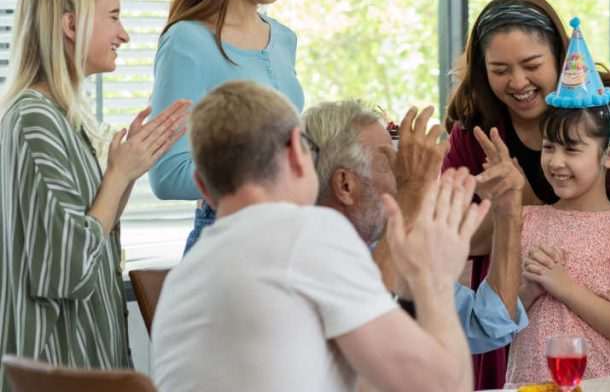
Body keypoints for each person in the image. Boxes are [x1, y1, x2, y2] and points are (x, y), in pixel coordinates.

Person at [150, 80, 489, 392]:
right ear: (299, 152)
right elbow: (441, 385)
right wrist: (436, 277)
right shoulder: (306, 232)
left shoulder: (183, 278)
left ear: (202, 187)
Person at [444, 0, 610, 388]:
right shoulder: (475, 132)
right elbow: (460, 257)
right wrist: (509, 218)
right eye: (499, 69)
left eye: (531, 64)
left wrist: (560, 281)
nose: (517, 82)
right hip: (525, 373)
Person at [0, 0, 189, 390]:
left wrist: (131, 170)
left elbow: (91, 229)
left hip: (84, 358)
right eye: (114, 17)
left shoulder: (66, 119)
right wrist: (118, 176)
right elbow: (66, 267)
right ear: (70, 24)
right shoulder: (34, 120)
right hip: (57, 362)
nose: (124, 34)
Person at [149, 0, 304, 254]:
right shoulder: (187, 41)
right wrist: (262, 175)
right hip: (226, 239)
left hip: (284, 235)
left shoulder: (284, 39)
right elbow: (166, 175)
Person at [301, 100, 527, 353]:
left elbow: (489, 325)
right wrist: (413, 190)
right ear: (345, 185)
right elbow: (366, 319)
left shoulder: (390, 244)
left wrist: (507, 213)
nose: (405, 177)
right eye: (394, 164)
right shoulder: (305, 252)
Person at [504, 103, 610, 385]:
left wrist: (564, 287)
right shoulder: (525, 220)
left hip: (604, 385)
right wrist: (528, 291)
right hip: (529, 384)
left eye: (572, 149)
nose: (555, 161)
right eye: (549, 147)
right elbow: (500, 321)